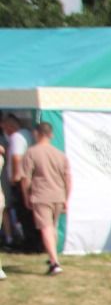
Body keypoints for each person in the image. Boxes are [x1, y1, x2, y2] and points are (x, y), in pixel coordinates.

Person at [18, 120, 68, 275]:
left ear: (36, 134)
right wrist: (67, 197)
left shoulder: (31, 152)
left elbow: (25, 177)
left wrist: (26, 195)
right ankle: (53, 256)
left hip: (41, 194)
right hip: (58, 194)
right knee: (52, 227)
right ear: (51, 135)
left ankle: (54, 262)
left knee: (45, 227)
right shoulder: (60, 154)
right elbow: (68, 178)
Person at [1, 113, 29, 250]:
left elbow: (16, 158)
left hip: (12, 180)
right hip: (12, 180)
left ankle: (13, 238)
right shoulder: (24, 136)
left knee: (11, 209)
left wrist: (15, 175)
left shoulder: (16, 138)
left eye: (5, 126)